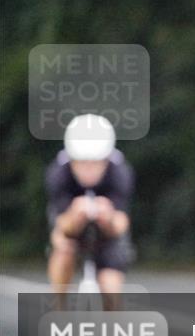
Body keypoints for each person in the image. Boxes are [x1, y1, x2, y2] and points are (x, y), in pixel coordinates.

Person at [46, 114, 135, 308]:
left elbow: (121, 224)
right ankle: (59, 306)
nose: (89, 170)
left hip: (108, 233)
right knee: (62, 249)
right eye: (82, 163)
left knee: (110, 286)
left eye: (95, 164)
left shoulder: (119, 172)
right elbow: (60, 225)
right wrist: (75, 217)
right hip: (70, 228)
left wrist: (108, 219)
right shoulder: (58, 174)